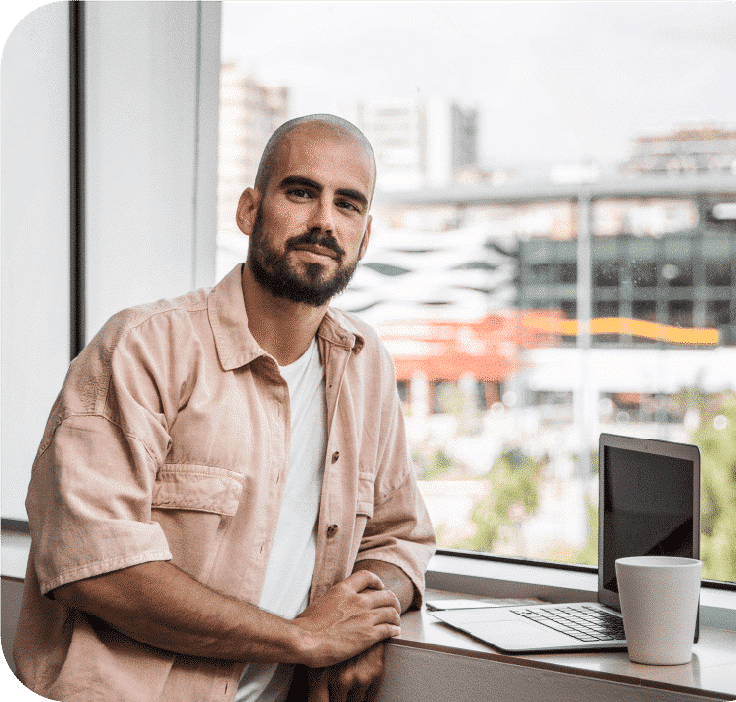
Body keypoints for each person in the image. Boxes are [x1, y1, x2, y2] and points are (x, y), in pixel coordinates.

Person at [14, 114, 436, 702]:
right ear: (248, 211)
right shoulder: (144, 347)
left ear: (364, 238)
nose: (322, 221)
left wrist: (362, 623)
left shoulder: (365, 364)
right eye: (300, 192)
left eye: (348, 204)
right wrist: (301, 640)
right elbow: (96, 568)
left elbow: (398, 541)